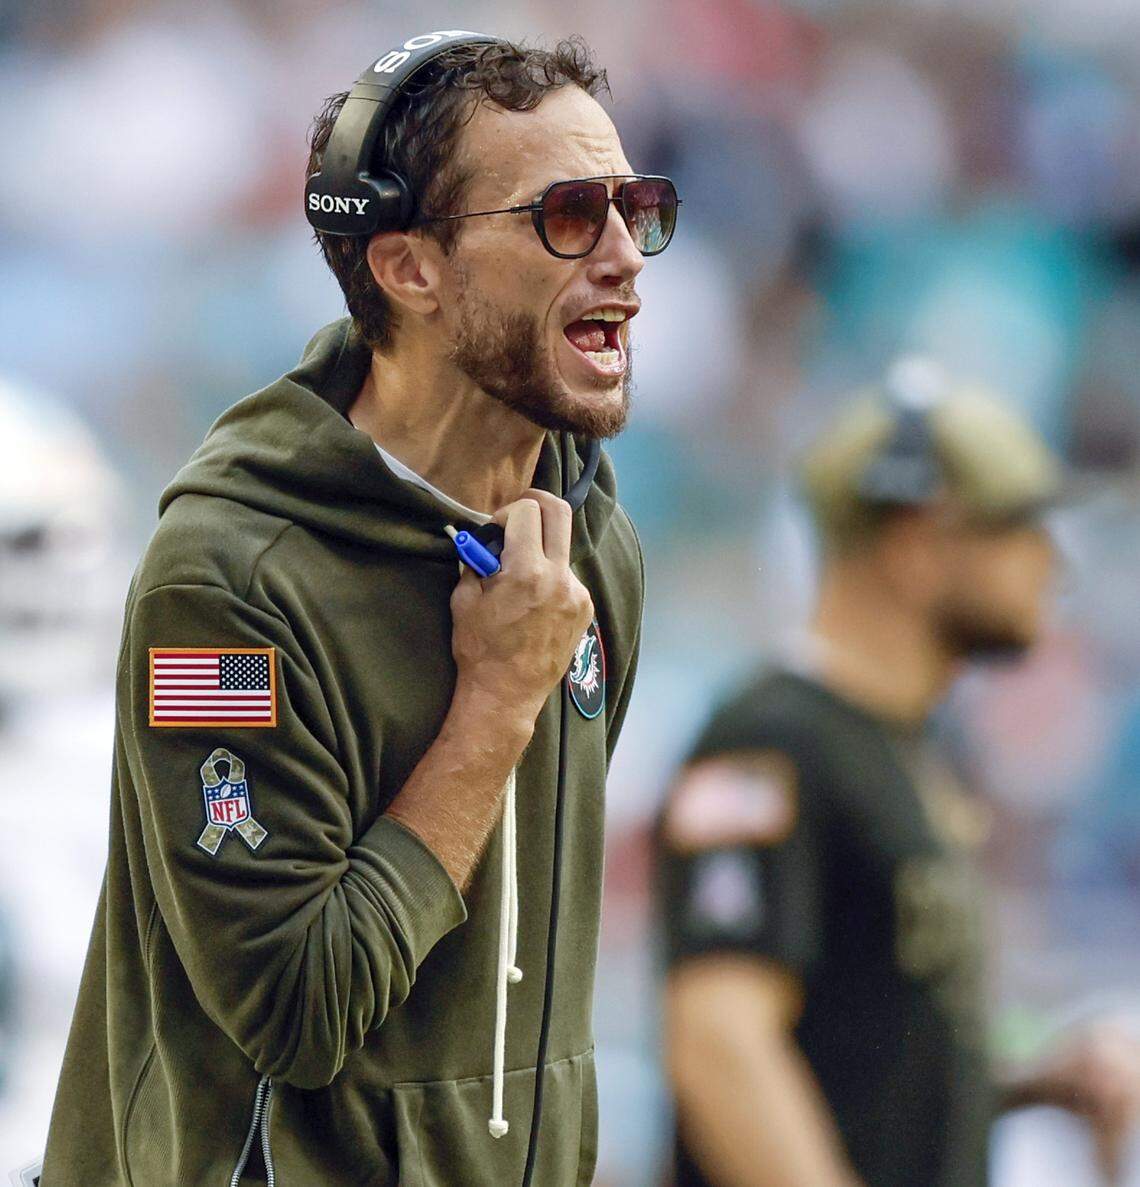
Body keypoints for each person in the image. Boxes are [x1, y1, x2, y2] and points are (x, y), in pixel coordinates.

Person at [40, 32, 676, 1186]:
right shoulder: (228, 583)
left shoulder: (593, 541)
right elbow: (294, 1009)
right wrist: (495, 701)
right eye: (571, 214)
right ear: (408, 267)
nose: (627, 255)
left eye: (638, 206)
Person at [654, 359, 1140, 1187]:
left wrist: (1025, 1084)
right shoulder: (770, 740)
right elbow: (719, 1044)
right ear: (915, 542)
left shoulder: (910, 747)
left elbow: (859, 1053)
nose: (1050, 565)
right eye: (1017, 528)